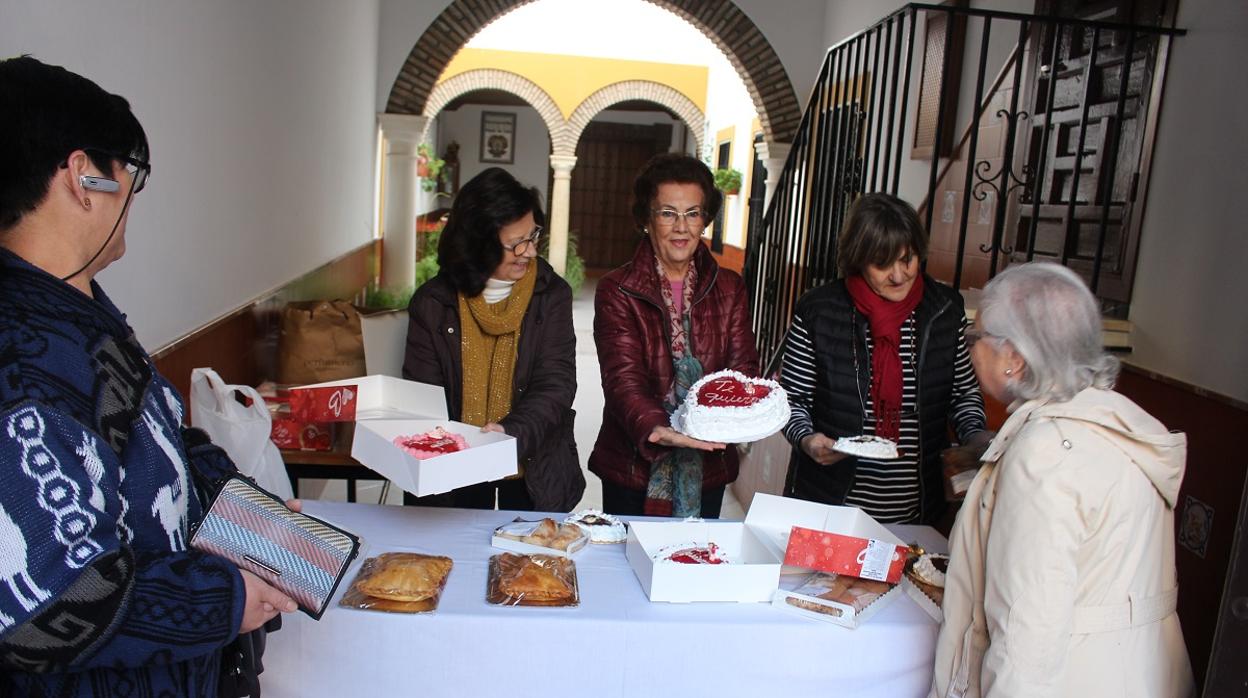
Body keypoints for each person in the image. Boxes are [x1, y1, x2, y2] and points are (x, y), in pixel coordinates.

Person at [0, 56, 298, 696]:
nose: (132, 196)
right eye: (127, 173)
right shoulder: (23, 357)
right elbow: (47, 603)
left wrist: (252, 522)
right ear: (84, 178)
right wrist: (224, 600)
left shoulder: (79, 313)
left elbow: (165, 442)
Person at [932, 262, 1194, 697]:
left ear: (1014, 357)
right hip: (1134, 673)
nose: (971, 349)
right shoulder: (1116, 424)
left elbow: (1027, 635)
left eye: (976, 338)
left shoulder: (1046, 453)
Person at [779, 193, 989, 525]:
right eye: (882, 263)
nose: (898, 275)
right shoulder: (820, 310)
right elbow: (791, 399)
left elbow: (963, 393)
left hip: (917, 509)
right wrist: (807, 439)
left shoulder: (944, 311)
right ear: (858, 260)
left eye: (907, 259)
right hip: (830, 505)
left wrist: (976, 436)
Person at [403, 167, 583, 512]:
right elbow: (421, 393)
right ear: (478, 244)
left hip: (534, 467)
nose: (529, 252)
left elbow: (556, 383)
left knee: (529, 564)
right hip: (451, 473)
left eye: (533, 236)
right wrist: (459, 445)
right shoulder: (434, 303)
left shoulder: (551, 295)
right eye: (516, 243)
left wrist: (508, 434)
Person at [589, 153, 760, 518]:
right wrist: (659, 428)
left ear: (705, 220)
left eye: (693, 213)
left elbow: (741, 368)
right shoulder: (617, 290)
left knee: (695, 562)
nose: (681, 227)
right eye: (668, 213)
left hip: (708, 463)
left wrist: (722, 417)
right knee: (629, 568)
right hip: (633, 465)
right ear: (647, 221)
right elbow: (622, 378)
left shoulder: (730, 287)